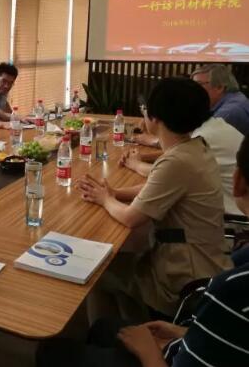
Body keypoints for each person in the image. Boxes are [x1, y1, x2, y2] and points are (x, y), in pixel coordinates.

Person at [37, 135, 249, 367]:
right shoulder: (198, 149)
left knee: (52, 348)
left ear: (238, 180)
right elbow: (160, 184)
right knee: (103, 325)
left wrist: (146, 348)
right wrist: (184, 332)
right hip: (192, 318)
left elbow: (131, 217)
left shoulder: (231, 291)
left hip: (182, 285)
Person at [78, 78, 231, 321]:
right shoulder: (195, 147)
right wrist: (115, 193)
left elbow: (131, 218)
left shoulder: (176, 161)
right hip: (207, 258)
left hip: (185, 276)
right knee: (118, 262)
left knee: (97, 272)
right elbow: (156, 188)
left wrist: (105, 199)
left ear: (155, 117)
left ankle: (117, 335)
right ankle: (131, 324)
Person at [121, 111, 244, 216]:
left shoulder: (204, 138)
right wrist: (143, 157)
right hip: (225, 206)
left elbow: (168, 172)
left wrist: (136, 165)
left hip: (233, 216)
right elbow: (174, 159)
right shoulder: (213, 126)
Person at [191, 64, 249, 135]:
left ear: (219, 87)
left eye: (198, 84)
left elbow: (201, 137)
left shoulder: (228, 112)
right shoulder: (236, 97)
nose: (192, 89)